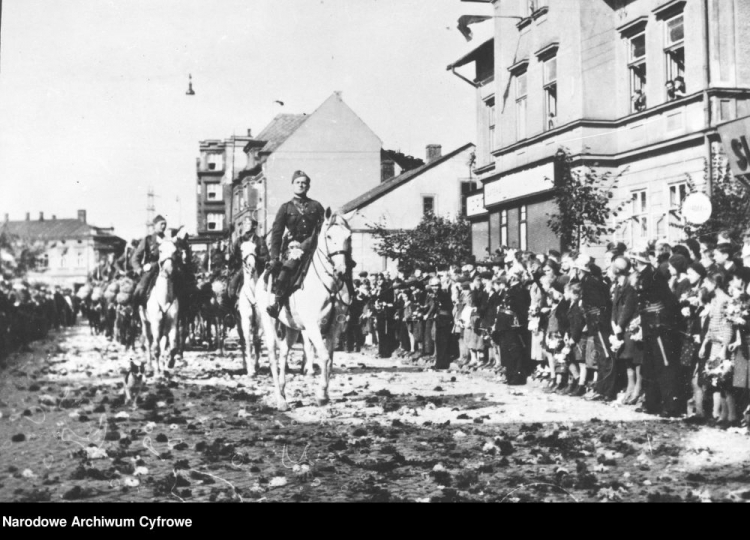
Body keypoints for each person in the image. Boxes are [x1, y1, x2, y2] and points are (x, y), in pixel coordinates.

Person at [266, 171, 326, 319]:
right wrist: (275, 256)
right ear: (293, 185)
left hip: (314, 246)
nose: (301, 185)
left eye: (304, 183)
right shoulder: (286, 207)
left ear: (308, 186)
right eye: (298, 182)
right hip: (294, 248)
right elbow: (277, 233)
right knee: (288, 267)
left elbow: (324, 227)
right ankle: (277, 302)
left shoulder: (316, 206)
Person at [131, 215, 168, 306]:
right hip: (152, 270)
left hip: (167, 269)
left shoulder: (167, 240)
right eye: (161, 224)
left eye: (165, 224)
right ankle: (134, 312)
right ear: (154, 225)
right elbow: (135, 258)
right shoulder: (148, 240)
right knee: (140, 288)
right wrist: (139, 269)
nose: (163, 226)